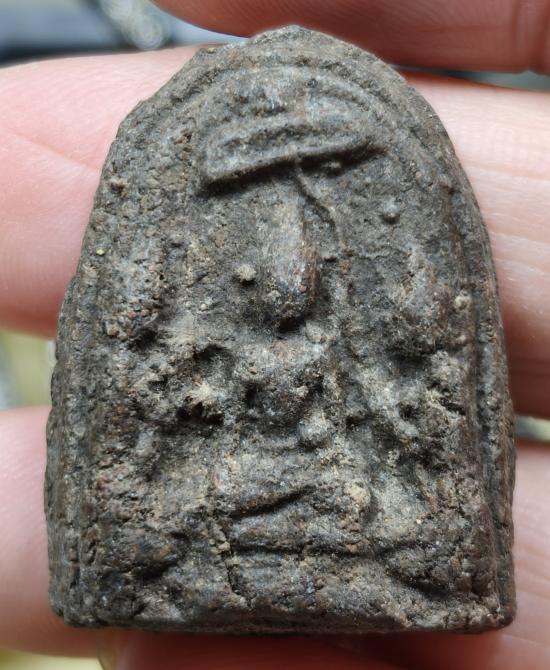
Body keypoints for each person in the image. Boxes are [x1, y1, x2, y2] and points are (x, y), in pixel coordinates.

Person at [0, 1, 549, 668]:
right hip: (248, 473)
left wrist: (392, 426)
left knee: (353, 498)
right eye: (276, 276)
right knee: (214, 495)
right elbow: (199, 404)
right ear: (249, 279)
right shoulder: (233, 345)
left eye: (305, 276)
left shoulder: (331, 345)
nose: (291, 294)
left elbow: (364, 410)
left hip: (321, 475)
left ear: (320, 276)